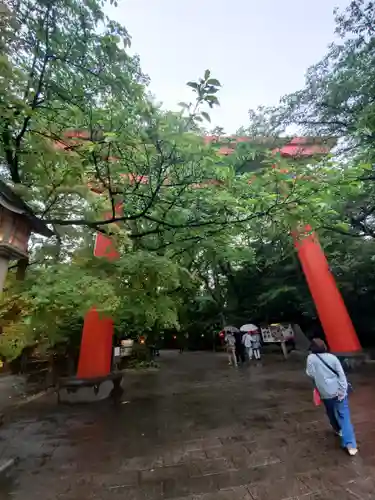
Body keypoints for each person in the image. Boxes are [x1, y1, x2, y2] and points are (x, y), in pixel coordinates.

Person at [306, 338, 357, 456]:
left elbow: (310, 373)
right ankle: (350, 445)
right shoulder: (332, 358)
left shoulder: (311, 358)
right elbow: (342, 376)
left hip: (324, 392)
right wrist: (343, 391)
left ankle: (337, 429)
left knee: (330, 411)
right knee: (344, 417)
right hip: (338, 391)